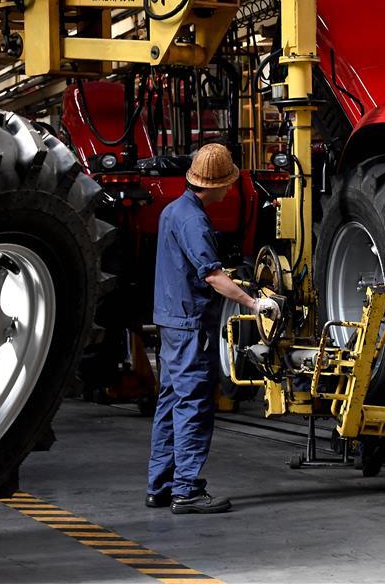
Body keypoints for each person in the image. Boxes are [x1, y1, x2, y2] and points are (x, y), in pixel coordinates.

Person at [146, 143, 278, 514]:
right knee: (193, 406)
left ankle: (160, 486)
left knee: (171, 401)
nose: (229, 190)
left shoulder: (174, 211)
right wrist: (254, 303)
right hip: (189, 324)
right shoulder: (195, 220)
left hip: (171, 319)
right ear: (217, 185)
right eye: (228, 184)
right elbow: (213, 276)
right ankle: (186, 490)